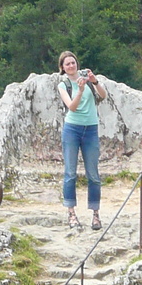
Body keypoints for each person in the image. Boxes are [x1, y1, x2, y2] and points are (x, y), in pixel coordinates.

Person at [57, 51, 107, 230]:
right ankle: (71, 213)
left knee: (93, 174)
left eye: (73, 62)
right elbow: (72, 106)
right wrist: (79, 90)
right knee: (70, 172)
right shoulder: (63, 85)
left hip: (91, 129)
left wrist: (94, 81)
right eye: (67, 64)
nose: (71, 66)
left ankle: (95, 214)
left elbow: (103, 95)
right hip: (72, 129)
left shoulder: (87, 79)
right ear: (62, 68)